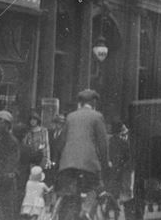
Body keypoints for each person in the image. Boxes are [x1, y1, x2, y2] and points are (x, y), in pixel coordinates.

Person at [56, 89, 108, 220]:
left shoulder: (70, 116)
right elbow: (103, 144)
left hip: (67, 164)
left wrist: (59, 162)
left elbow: (61, 141)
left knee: (70, 193)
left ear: (80, 102)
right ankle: (86, 210)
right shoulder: (97, 116)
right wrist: (105, 163)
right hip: (88, 164)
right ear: (93, 102)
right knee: (97, 186)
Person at [107, 122, 133, 217]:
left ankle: (111, 211)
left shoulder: (109, 142)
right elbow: (128, 158)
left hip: (112, 170)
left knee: (113, 191)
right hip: (121, 170)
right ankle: (123, 212)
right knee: (124, 192)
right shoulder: (124, 143)